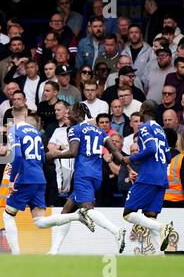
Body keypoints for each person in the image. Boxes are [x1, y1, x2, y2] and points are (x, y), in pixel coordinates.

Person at [3, 102, 89, 256]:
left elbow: (17, 156)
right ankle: (76, 216)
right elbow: (43, 157)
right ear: (26, 114)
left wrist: (11, 180)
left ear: (12, 115)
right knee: (40, 222)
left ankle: (15, 255)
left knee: (8, 214)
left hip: (25, 178)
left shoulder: (14, 130)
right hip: (39, 177)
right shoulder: (35, 132)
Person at [46, 102, 128, 255]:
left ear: (77, 114)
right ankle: (54, 250)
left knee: (87, 210)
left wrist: (54, 154)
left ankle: (116, 231)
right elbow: (116, 152)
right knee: (66, 212)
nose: (66, 115)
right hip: (96, 175)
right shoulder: (100, 132)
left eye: (69, 112)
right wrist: (128, 167)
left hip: (83, 173)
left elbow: (73, 151)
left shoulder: (74, 129)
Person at [121, 100, 175, 253]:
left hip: (148, 176)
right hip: (162, 178)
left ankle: (163, 228)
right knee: (150, 216)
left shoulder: (145, 128)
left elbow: (151, 148)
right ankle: (160, 256)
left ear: (142, 110)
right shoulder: (161, 130)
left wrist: (131, 158)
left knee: (128, 213)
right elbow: (168, 157)